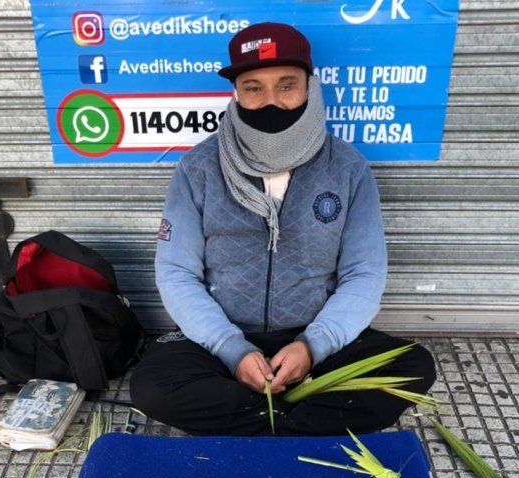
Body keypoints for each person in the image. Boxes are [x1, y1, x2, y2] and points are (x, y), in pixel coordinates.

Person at [130, 22, 436, 436]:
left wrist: (313, 347)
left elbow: (364, 273)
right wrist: (231, 349)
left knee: (412, 366)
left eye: (286, 86)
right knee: (152, 387)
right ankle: (299, 418)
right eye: (253, 88)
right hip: (222, 339)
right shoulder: (198, 168)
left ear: (310, 87)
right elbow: (176, 272)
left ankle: (259, 417)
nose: (271, 101)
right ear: (236, 94)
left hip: (313, 338)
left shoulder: (348, 168)